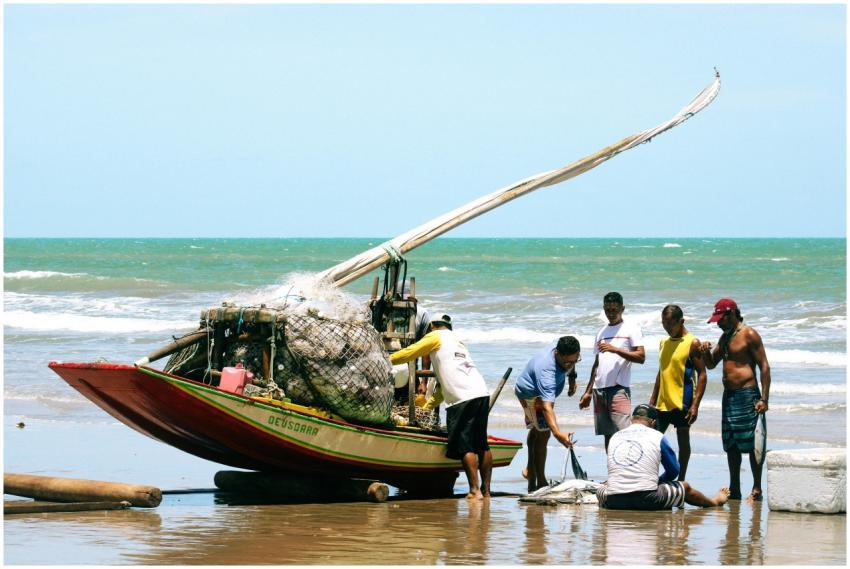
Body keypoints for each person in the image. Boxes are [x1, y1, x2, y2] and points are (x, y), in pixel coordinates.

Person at [390, 314, 493, 499]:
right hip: (481, 393)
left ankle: (474, 490)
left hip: (462, 398)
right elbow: (443, 386)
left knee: (465, 445)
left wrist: (385, 359)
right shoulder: (457, 340)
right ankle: (486, 491)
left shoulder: (435, 336)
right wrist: (429, 406)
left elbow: (410, 353)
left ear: (432, 326)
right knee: (482, 445)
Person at [700, 298, 771, 502]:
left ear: (731, 314)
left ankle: (756, 488)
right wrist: (705, 352)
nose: (718, 324)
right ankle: (735, 488)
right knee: (731, 444)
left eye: (720, 320)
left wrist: (764, 398)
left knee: (752, 442)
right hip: (729, 397)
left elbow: (764, 366)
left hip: (748, 395)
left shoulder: (749, 334)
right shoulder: (724, 338)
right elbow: (712, 364)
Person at [597, 404, 731, 510]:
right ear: (654, 422)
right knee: (684, 486)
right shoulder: (657, 436)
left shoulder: (615, 436)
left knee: (602, 486)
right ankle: (714, 502)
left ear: (632, 420)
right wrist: (659, 480)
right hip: (647, 499)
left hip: (613, 500)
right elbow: (674, 471)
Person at [514, 336, 581, 493]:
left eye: (574, 361)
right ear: (557, 353)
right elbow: (546, 407)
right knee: (544, 434)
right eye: (566, 362)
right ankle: (540, 482)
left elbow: (571, 363)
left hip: (539, 393)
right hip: (531, 394)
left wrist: (572, 379)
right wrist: (558, 433)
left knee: (538, 429)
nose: (570, 365)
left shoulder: (564, 347)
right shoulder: (546, 371)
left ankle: (531, 473)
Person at [579, 292, 646, 450]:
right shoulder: (601, 332)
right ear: (603, 308)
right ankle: (613, 472)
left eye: (614, 310)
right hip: (599, 390)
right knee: (608, 435)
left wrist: (615, 350)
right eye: (607, 310)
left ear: (622, 308)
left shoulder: (631, 329)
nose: (610, 314)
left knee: (624, 434)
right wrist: (588, 392)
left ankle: (629, 470)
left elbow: (641, 357)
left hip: (618, 388)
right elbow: (596, 364)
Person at [648, 304, 707, 480]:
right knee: (652, 440)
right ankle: (651, 477)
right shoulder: (663, 343)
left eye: (670, 324)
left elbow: (702, 374)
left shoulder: (692, 342)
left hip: (683, 401)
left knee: (683, 440)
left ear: (681, 321)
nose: (667, 328)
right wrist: (652, 400)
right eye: (663, 324)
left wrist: (695, 405)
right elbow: (661, 371)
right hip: (662, 401)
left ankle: (681, 480)